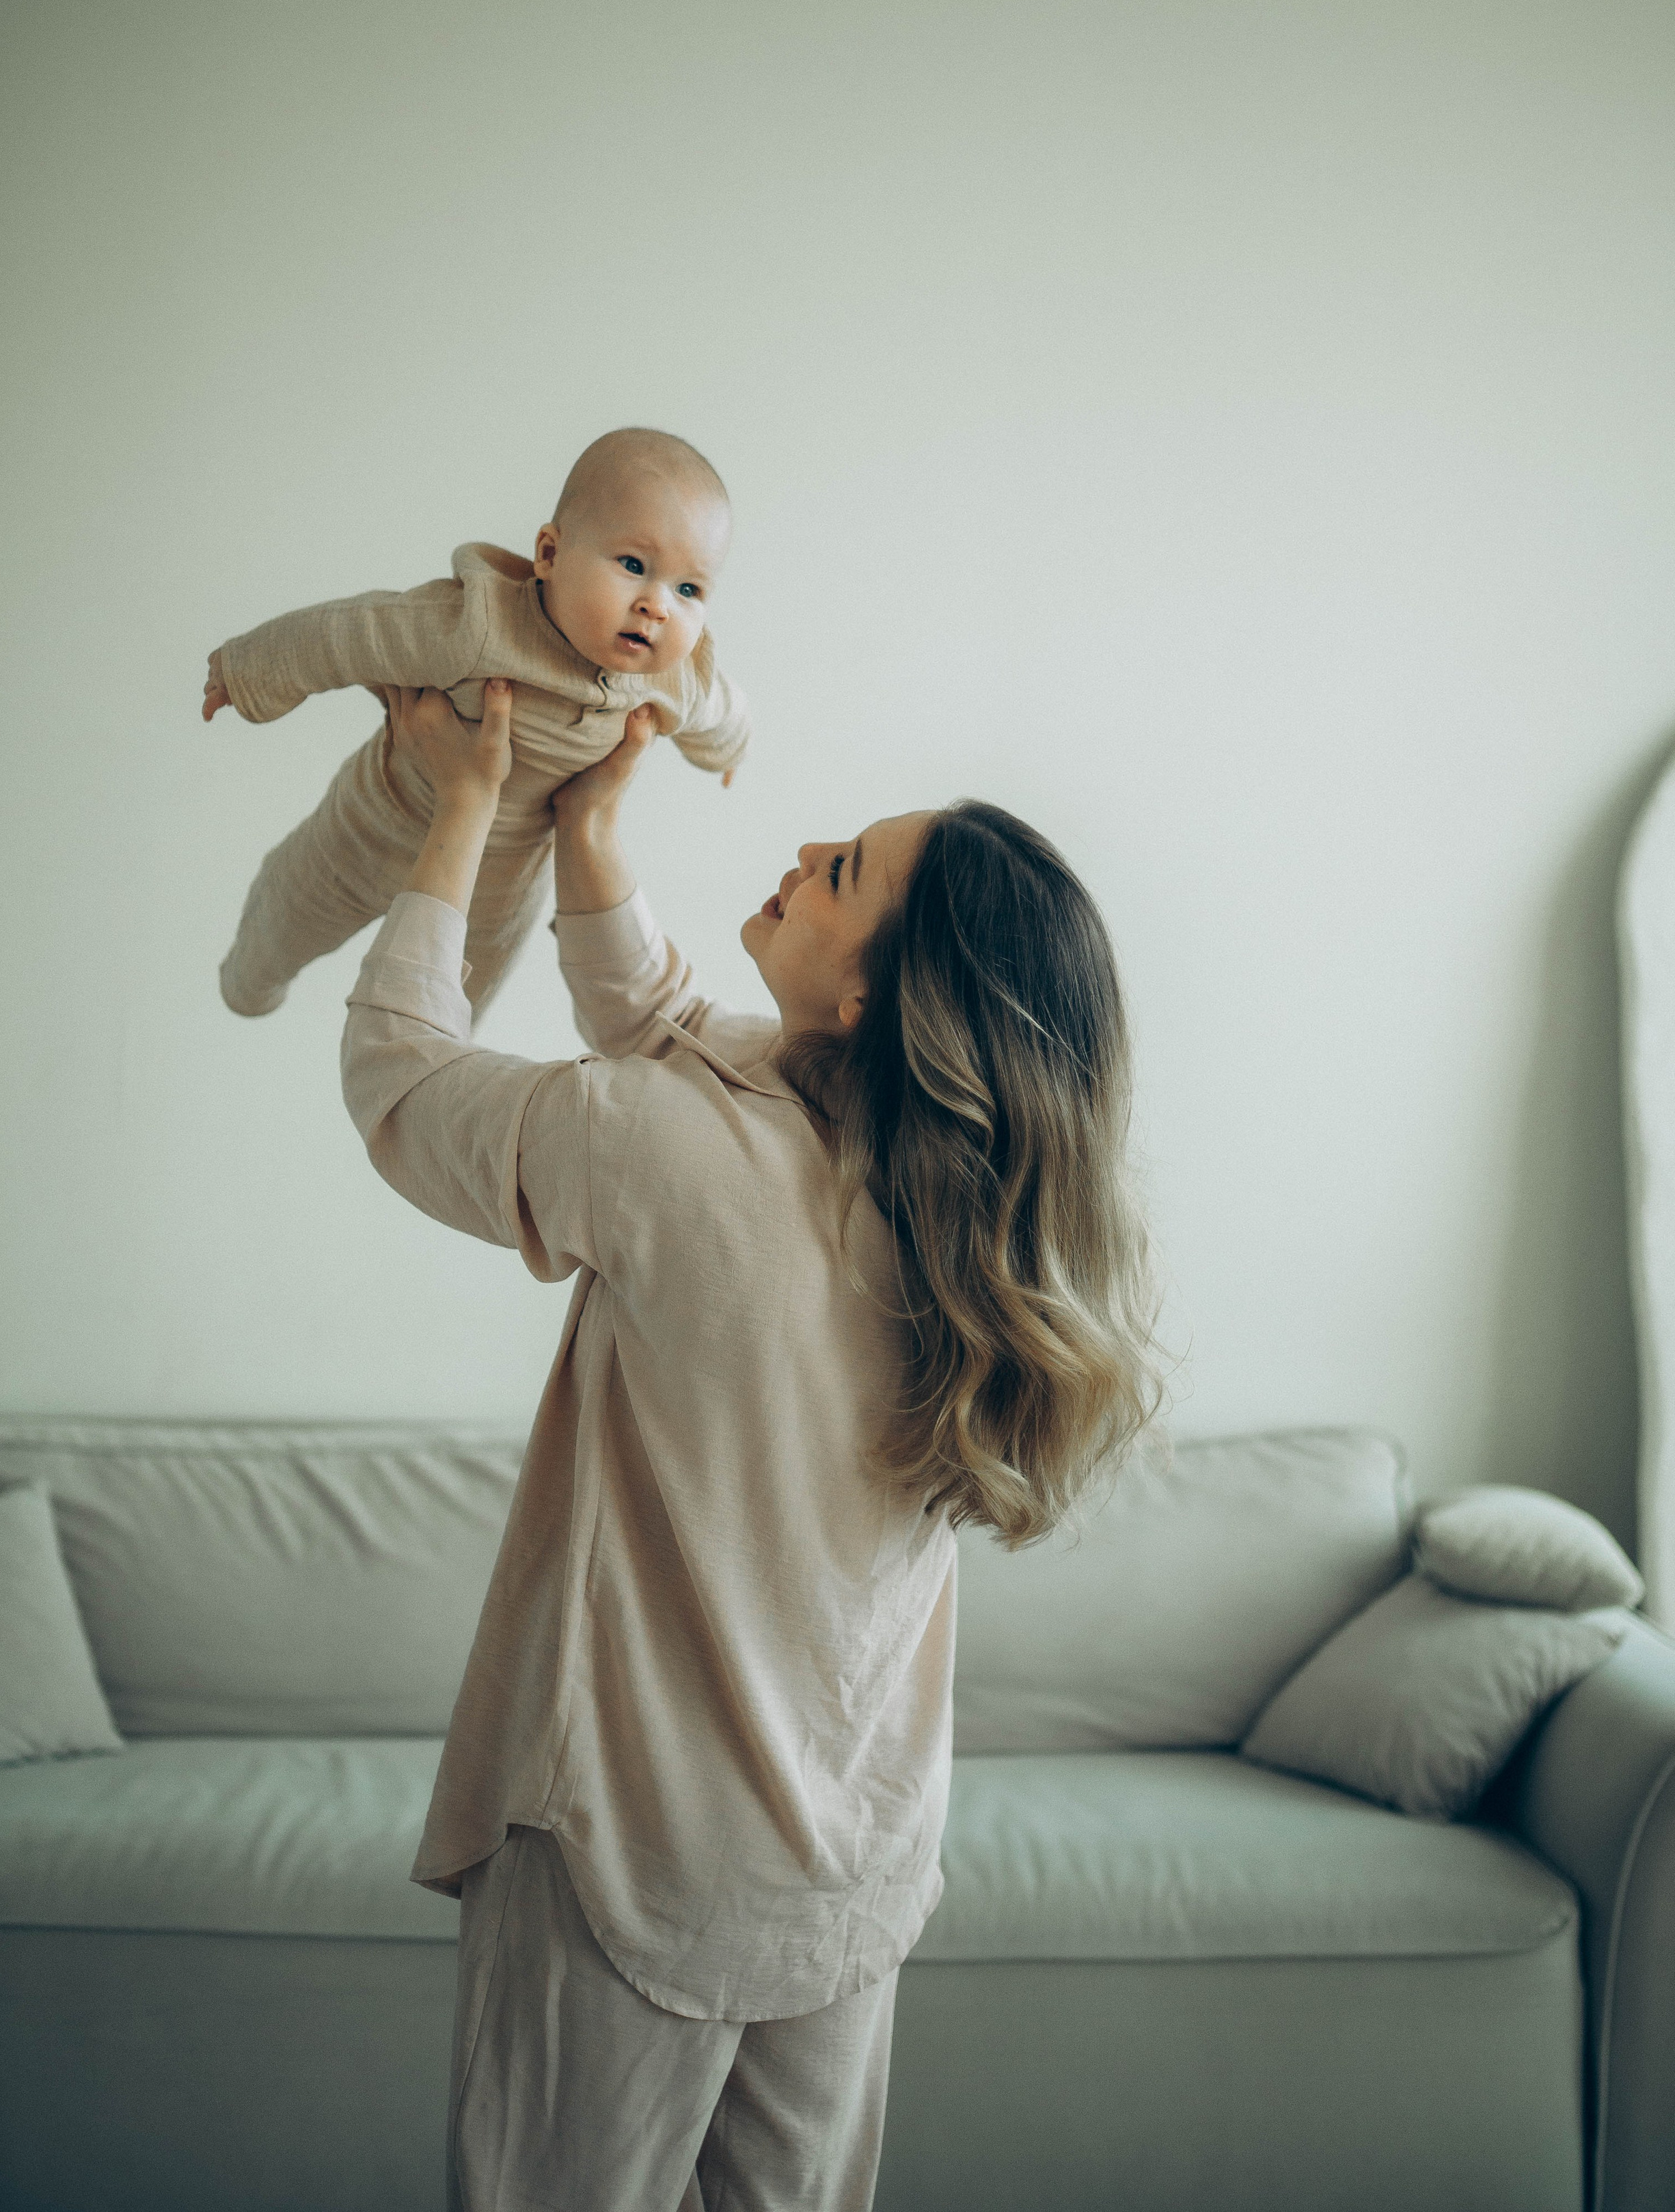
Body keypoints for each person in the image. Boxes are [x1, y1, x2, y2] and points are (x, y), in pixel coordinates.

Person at [340, 677, 1161, 2211]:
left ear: (870, 1003)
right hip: (840, 1875)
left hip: (628, 1858)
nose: (802, 850)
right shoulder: (948, 1212)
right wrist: (591, 830)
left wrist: (460, 804)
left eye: (839, 870)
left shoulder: (666, 1150)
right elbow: (671, 1030)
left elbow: (399, 1077)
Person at [203, 427, 748, 1019]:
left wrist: (729, 750)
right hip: (375, 823)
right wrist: (248, 670)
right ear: (550, 555)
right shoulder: (482, 625)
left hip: (497, 888)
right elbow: (354, 632)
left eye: (688, 588)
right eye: (634, 564)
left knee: (453, 1005)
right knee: (290, 909)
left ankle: (437, 1047)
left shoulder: (677, 679)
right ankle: (248, 984)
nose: (657, 605)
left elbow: (720, 712)